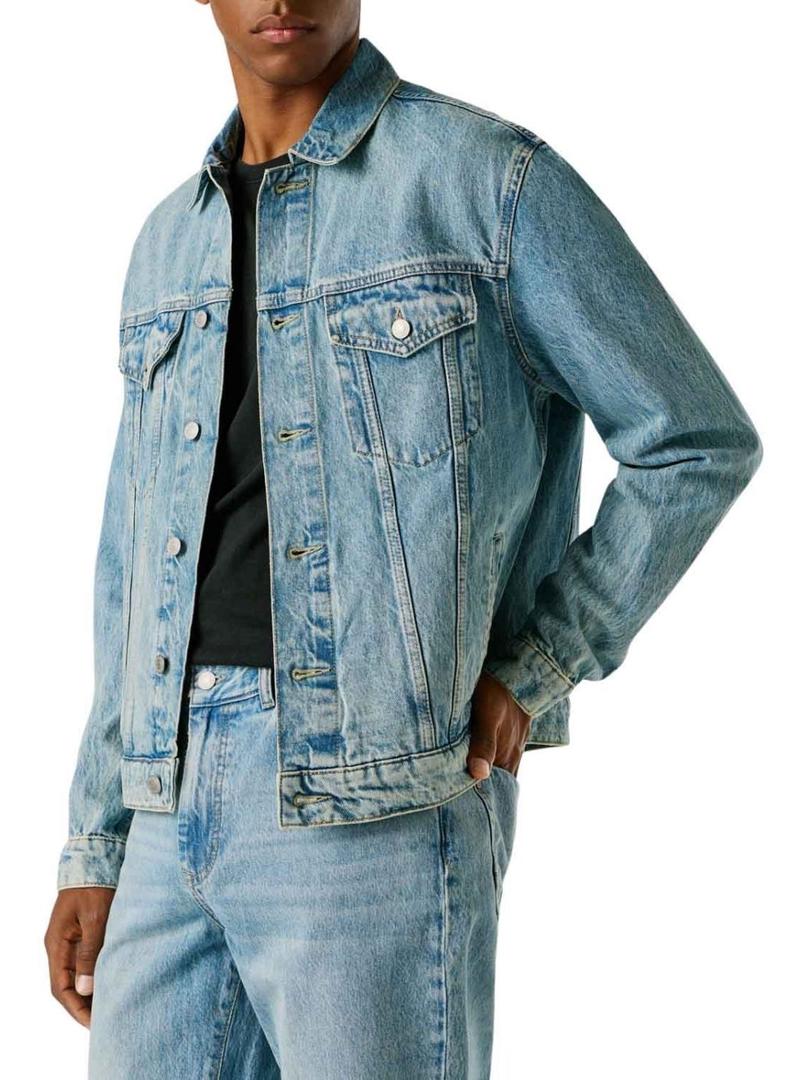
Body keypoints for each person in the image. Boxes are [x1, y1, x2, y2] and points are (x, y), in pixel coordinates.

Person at [44, 3, 763, 1077]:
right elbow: (129, 561)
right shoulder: (166, 241)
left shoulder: (486, 184)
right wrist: (96, 840)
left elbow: (692, 437)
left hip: (379, 800)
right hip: (165, 797)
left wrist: (541, 662)